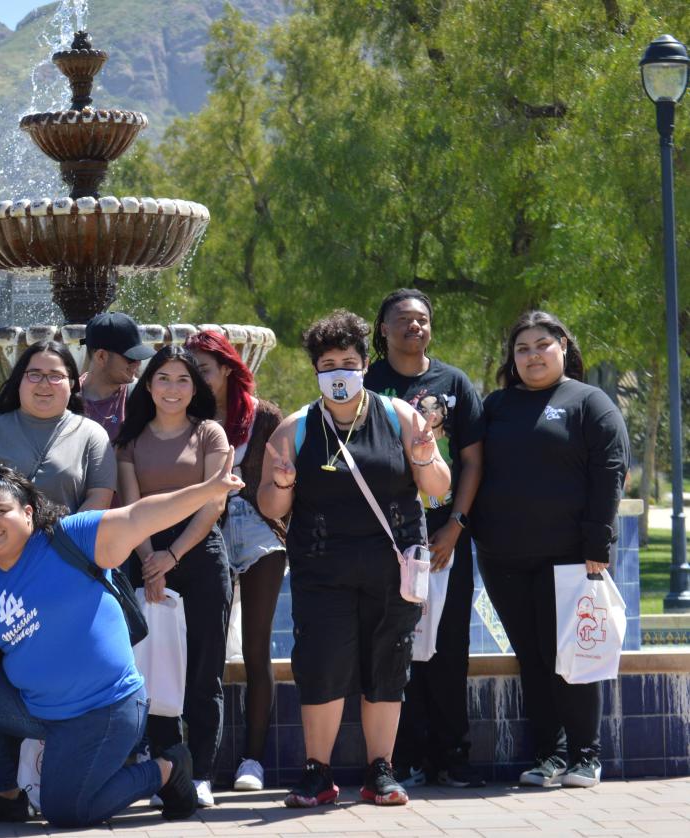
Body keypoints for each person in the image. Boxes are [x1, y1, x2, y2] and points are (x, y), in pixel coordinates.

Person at [0, 459, 245, 827]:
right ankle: (5, 796)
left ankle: (167, 768)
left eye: (1, 511)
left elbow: (138, 517)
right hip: (40, 710)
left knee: (67, 811)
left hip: (106, 708)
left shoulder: (70, 538)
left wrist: (207, 491)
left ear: (29, 513)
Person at [257, 310, 450, 809]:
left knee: (387, 665)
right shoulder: (294, 430)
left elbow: (438, 488)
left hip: (393, 568)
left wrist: (426, 455)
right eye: (328, 364)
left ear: (365, 364)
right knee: (321, 666)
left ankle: (379, 771)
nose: (339, 372)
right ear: (316, 371)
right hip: (322, 571)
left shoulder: (399, 417)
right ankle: (316, 772)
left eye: (348, 361)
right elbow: (271, 507)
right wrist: (281, 481)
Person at [474, 311, 628, 789]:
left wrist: (597, 542)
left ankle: (586, 756)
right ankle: (551, 756)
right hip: (504, 558)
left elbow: (610, 471)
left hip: (572, 557)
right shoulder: (496, 405)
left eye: (542, 345)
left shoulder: (589, 402)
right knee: (533, 658)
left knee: (573, 657)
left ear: (564, 347)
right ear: (511, 358)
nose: (532, 355)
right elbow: (471, 467)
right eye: (522, 349)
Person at [364, 289, 486, 788]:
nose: (414, 327)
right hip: (386, 538)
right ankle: (403, 758)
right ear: (383, 329)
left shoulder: (453, 382)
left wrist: (455, 526)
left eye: (422, 320)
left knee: (449, 647)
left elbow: (474, 460)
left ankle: (450, 756)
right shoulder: (367, 382)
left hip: (444, 539)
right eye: (403, 320)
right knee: (394, 646)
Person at [115, 346, 232, 807]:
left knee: (204, 672)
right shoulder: (130, 440)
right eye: (162, 378)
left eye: (182, 380)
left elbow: (214, 502)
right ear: (148, 385)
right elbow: (129, 505)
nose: (172, 388)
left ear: (195, 388)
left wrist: (172, 556)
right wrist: (149, 560)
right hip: (144, 552)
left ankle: (201, 773)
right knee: (155, 669)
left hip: (199, 554)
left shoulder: (210, 434)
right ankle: (168, 771)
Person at [184, 329, 287, 792]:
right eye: (192, 372)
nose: (197, 381)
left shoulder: (263, 416)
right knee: (206, 646)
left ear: (227, 369)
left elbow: (287, 480)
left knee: (257, 645)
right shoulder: (190, 419)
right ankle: (198, 758)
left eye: (204, 371)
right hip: (207, 530)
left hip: (261, 530)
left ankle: (253, 759)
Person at [0, 341, 116, 519]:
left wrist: (59, 541)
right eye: (34, 374)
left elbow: (99, 499)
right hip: (4, 543)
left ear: (72, 383)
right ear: (20, 380)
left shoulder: (93, 434)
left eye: (55, 376)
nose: (44, 384)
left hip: (69, 543)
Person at [79, 312, 155, 440]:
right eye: (131, 358)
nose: (138, 363)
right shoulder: (66, 399)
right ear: (101, 356)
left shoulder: (141, 396)